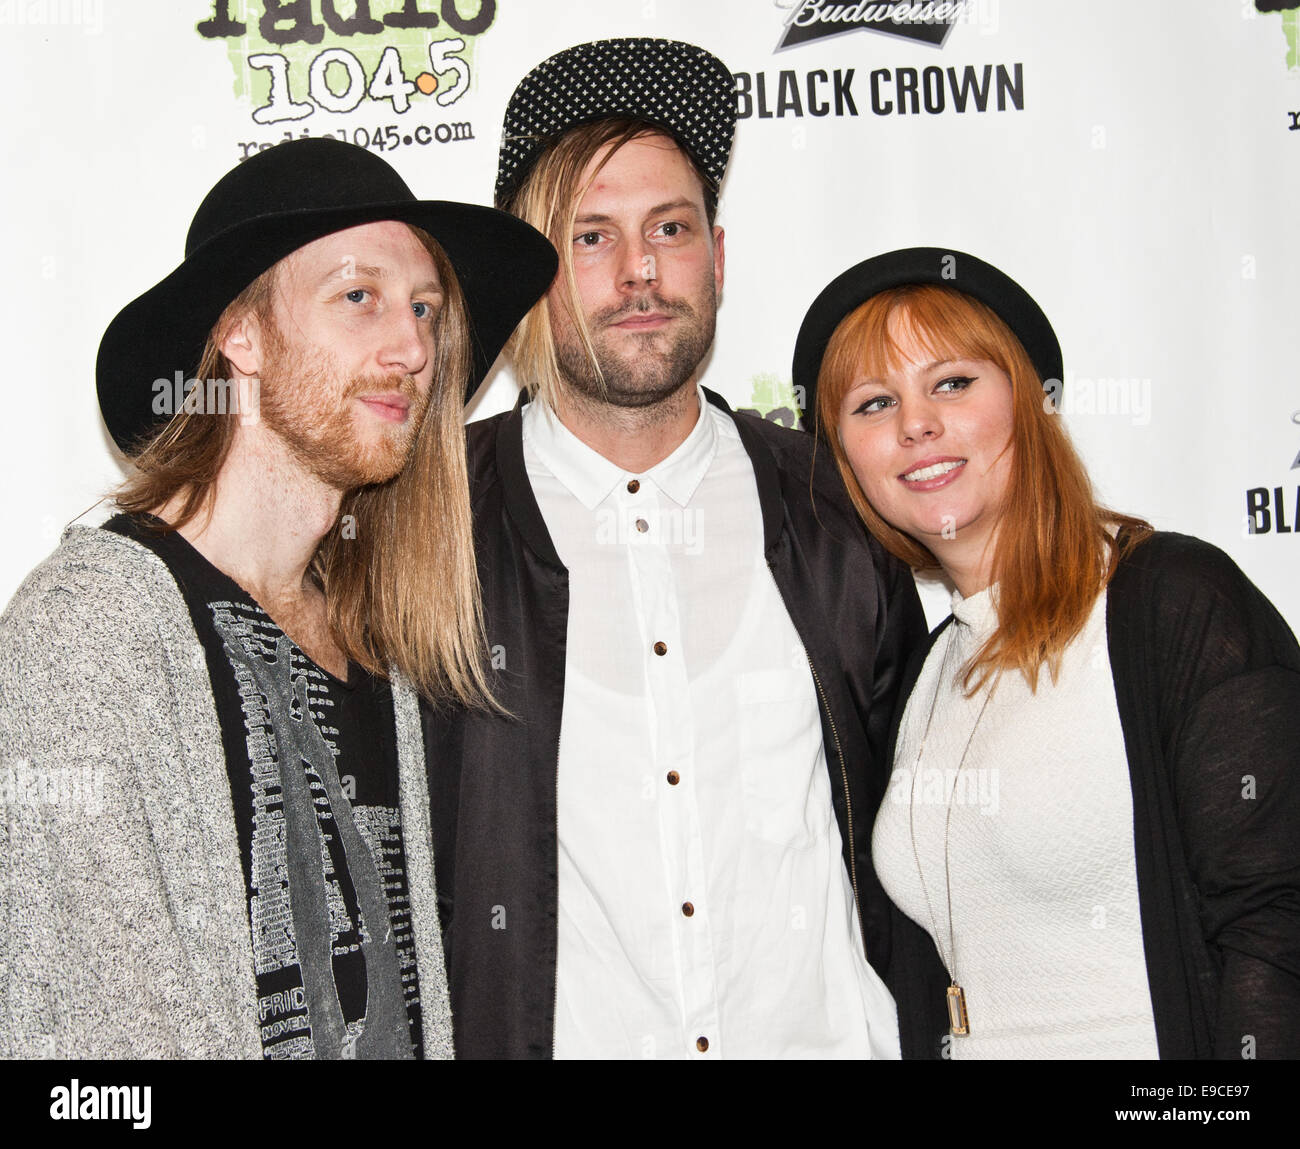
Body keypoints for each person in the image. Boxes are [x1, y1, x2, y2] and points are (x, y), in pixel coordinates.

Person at [424, 38, 926, 1059]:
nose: (641, 271)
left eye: (670, 228)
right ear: (532, 273)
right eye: (592, 237)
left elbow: (919, 838)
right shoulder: (429, 521)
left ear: (719, 256)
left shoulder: (836, 504)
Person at [0, 138, 556, 1059]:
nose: (414, 345)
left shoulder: (374, 644)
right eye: (358, 296)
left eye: (423, 307)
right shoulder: (90, 633)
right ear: (242, 333)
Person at [795, 246, 1300, 1059]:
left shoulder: (1166, 601)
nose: (916, 423)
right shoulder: (932, 673)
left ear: (1034, 400)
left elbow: (1278, 920)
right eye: (874, 402)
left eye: (952, 383)